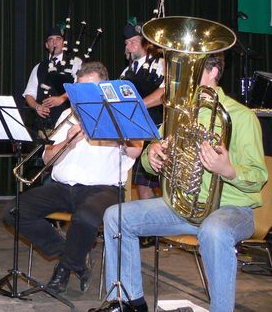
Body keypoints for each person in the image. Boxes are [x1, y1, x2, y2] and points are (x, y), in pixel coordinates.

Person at [95, 54, 268, 312]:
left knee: (215, 231)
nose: (180, 80)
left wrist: (228, 170)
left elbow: (258, 177)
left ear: (212, 72)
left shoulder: (241, 117)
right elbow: (149, 154)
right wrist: (151, 154)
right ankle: (130, 303)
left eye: (189, 71)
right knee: (116, 216)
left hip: (232, 209)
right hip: (184, 206)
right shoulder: (181, 112)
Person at [4, 61, 143, 294]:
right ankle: (73, 255)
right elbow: (48, 158)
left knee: (85, 218)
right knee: (14, 211)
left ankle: (64, 268)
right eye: (80, 89)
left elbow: (136, 150)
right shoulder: (69, 114)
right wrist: (68, 143)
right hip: (63, 188)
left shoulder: (121, 112)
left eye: (90, 89)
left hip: (104, 190)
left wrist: (116, 135)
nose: (84, 95)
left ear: (104, 87)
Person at [119, 20, 165, 201]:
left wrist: (139, 105)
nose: (128, 46)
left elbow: (165, 93)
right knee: (141, 184)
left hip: (156, 129)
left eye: (133, 42)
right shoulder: (127, 71)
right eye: (126, 43)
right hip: (134, 130)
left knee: (154, 182)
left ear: (145, 43)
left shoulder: (161, 64)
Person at [24, 26, 82, 129]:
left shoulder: (75, 62)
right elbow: (29, 94)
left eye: (58, 39)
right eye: (51, 39)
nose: (54, 42)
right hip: (43, 124)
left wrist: (62, 98)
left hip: (68, 122)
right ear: (47, 45)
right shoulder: (39, 67)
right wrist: (37, 107)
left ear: (63, 42)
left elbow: (80, 86)